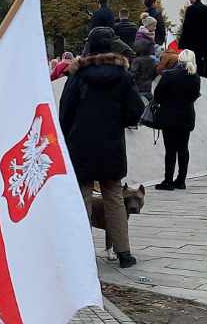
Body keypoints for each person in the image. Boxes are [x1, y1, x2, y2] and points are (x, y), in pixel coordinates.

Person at [57, 27, 144, 268]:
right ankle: (124, 253)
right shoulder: (123, 75)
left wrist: (66, 135)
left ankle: (80, 253)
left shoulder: (77, 75)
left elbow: (66, 110)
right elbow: (135, 110)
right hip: (112, 144)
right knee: (114, 196)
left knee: (82, 196)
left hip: (81, 143)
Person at [152, 48, 202, 190]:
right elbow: (194, 96)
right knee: (183, 148)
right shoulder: (195, 77)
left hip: (169, 116)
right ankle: (181, 180)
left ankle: (168, 180)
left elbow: (157, 96)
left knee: (170, 149)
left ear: (179, 60)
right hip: (186, 116)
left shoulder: (169, 75)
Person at [178, 0, 207, 77]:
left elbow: (186, 26)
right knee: (200, 62)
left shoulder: (191, 9)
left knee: (191, 61)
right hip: (203, 41)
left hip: (191, 41)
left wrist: (182, 42)